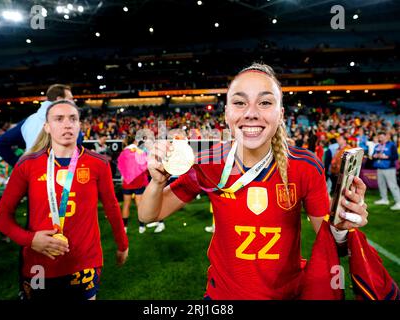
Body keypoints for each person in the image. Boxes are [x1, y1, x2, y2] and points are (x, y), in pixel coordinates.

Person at [138, 63, 369, 300]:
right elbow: (147, 215)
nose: (251, 112)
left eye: (265, 102)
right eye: (240, 102)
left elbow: (334, 246)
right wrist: (156, 182)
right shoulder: (208, 162)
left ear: (280, 113)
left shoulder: (305, 166)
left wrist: (344, 223)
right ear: (227, 112)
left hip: (287, 295)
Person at [0, 100, 128, 300]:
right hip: (39, 263)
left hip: (85, 262)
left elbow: (112, 207)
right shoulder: (28, 165)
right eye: (59, 119)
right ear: (47, 127)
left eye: (73, 119)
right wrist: (30, 240)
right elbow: (1, 217)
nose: (67, 124)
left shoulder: (98, 164)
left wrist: (122, 244)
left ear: (80, 125)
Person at [0, 84, 83, 167]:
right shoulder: (70, 123)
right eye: (70, 99)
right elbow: (76, 152)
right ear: (59, 99)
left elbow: (0, 143)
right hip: (61, 177)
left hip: (32, 176)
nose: (73, 102)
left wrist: (18, 163)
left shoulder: (29, 121)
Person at [117, 136, 150, 234]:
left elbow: (120, 167)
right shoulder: (140, 152)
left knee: (126, 204)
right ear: (135, 141)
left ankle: (124, 227)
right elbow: (145, 166)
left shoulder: (123, 153)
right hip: (139, 181)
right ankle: (141, 226)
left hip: (127, 181)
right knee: (139, 204)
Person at [372, 130, 400, 210]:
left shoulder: (391, 145)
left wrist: (386, 157)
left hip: (389, 168)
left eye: (382, 137)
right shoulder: (377, 146)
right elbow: (373, 155)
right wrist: (375, 155)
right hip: (379, 167)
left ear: (386, 136)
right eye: (379, 137)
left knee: (393, 185)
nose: (380, 138)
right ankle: (384, 199)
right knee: (381, 184)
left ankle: (399, 202)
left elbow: (396, 157)